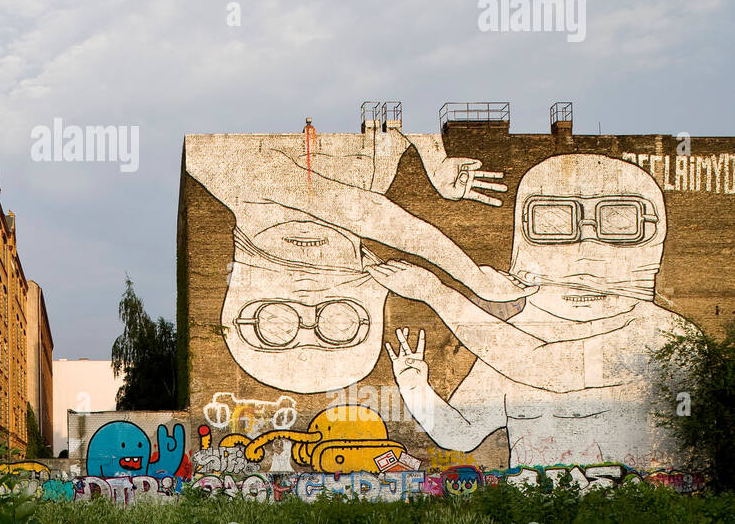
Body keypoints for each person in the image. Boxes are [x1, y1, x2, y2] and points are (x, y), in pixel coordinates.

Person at [374, 154, 685, 468]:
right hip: (533, 504)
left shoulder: (664, 334)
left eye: (620, 223)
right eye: (553, 222)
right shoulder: (514, 335)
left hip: (624, 507)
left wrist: (436, 293)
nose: (585, 254)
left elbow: (544, 366)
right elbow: (460, 432)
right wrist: (415, 387)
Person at [186, 125, 531, 393]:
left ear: (234, 305)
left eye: (274, 324)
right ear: (377, 290)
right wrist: (432, 153)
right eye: (341, 323)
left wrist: (474, 277)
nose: (308, 300)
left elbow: (363, 212)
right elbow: (403, 93)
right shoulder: (379, 175)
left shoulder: (214, 165)